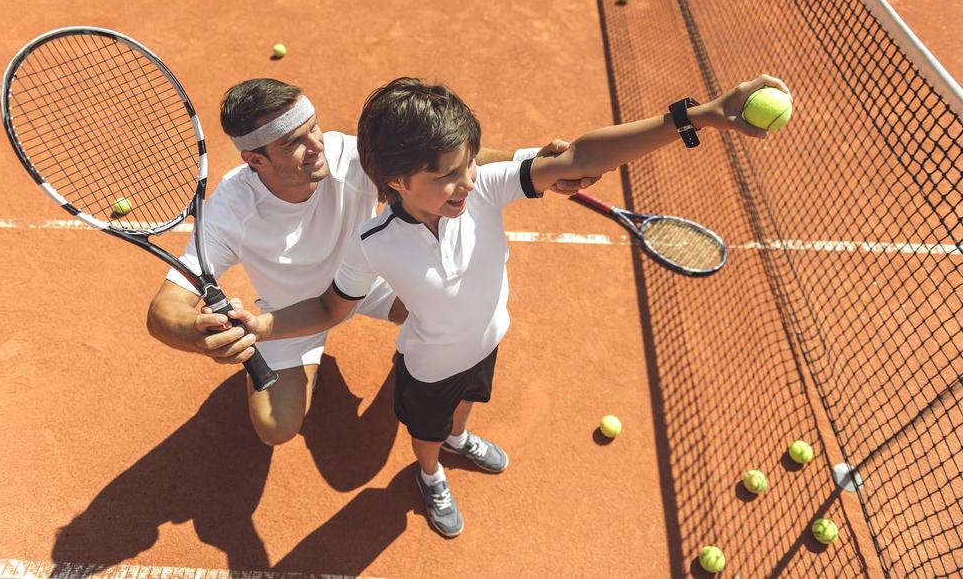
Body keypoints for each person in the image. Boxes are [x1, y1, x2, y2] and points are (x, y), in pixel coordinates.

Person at [212, 73, 788, 536]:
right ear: (395, 181)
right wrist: (262, 324)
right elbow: (330, 310)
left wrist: (700, 115)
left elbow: (581, 155)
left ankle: (460, 439)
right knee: (428, 427)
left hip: (486, 342)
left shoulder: (483, 188)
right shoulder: (374, 244)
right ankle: (432, 473)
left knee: (467, 405)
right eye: (447, 176)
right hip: (428, 366)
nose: (465, 184)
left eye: (467, 167)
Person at [146, 77, 598, 446]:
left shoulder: (350, 156)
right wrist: (196, 335)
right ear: (254, 160)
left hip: (367, 282)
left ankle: (415, 373)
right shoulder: (231, 210)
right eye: (293, 143)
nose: (316, 145)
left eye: (313, 128)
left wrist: (530, 160)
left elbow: (443, 161)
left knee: (439, 303)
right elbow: (164, 309)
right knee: (274, 429)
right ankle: (308, 359)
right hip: (291, 313)